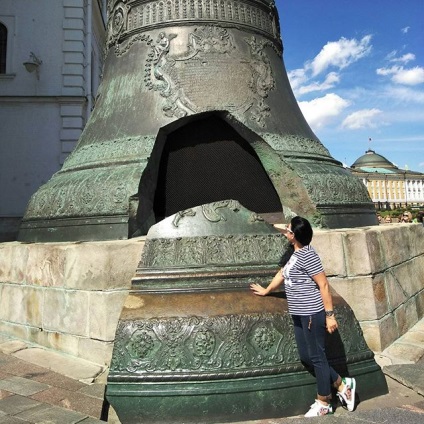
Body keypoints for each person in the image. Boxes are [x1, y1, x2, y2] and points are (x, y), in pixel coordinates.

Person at [250, 216, 356, 417]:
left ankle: (324, 401)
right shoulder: (294, 253)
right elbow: (282, 274)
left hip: (312, 314)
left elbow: (323, 285)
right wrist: (266, 290)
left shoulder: (308, 255)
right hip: (298, 314)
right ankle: (342, 385)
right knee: (307, 356)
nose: (286, 232)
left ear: (295, 236)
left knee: (317, 357)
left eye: (289, 230)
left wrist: (330, 315)